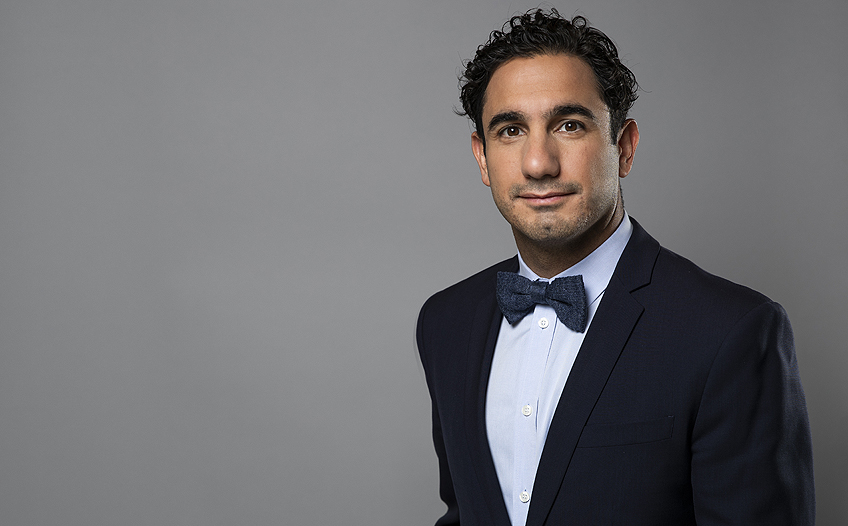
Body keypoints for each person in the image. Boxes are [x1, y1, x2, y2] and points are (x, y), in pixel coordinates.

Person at [416, 8, 815, 526]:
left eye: (569, 125)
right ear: (482, 158)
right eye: (511, 130)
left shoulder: (731, 331)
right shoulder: (445, 322)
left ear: (624, 148)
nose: (538, 163)